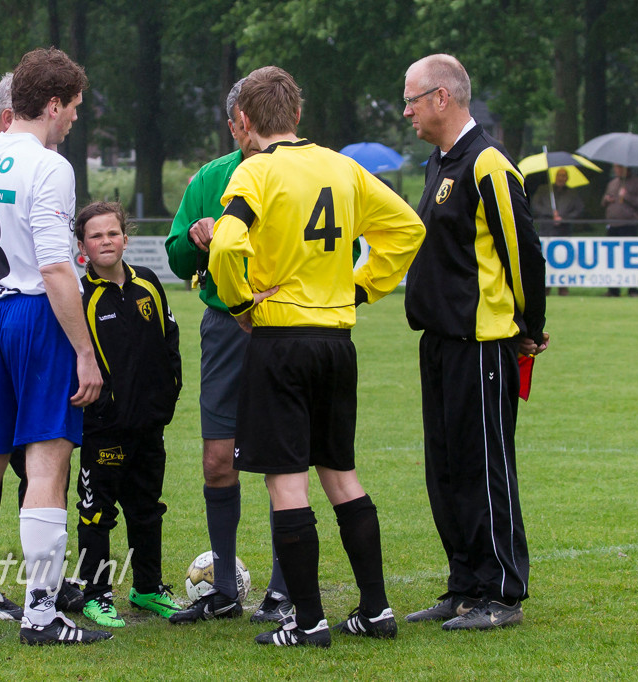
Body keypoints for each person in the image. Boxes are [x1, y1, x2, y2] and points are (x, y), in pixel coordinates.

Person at [210, 66, 426, 647]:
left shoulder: (256, 171)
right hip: (336, 342)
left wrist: (239, 301)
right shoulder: (343, 167)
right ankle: (376, 610)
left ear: (244, 120)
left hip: (281, 341)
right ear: (298, 115)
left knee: (286, 483)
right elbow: (407, 228)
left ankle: (308, 622)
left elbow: (227, 243)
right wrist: (360, 287)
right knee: (341, 474)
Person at [0, 47, 110, 646]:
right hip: (36, 314)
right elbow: (56, 267)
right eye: (75, 107)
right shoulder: (50, 165)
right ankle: (41, 613)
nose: (75, 119)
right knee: (47, 462)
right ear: (53, 104)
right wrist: (85, 351)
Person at [402, 54, 549, 631]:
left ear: (442, 98)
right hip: (440, 342)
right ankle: (464, 585)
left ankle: (502, 593)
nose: (407, 111)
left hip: (482, 344)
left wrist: (528, 328)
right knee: (446, 469)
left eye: (411, 99)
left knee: (484, 467)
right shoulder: (440, 162)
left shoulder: (488, 163)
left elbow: (523, 251)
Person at [165, 79, 292, 625]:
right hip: (224, 328)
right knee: (218, 461)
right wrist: (196, 241)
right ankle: (223, 591)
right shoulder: (211, 178)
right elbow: (176, 256)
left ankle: (285, 588)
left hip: (285, 327)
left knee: (283, 461)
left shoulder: (302, 173)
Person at [73, 201, 183, 628]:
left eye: (112, 233)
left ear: (125, 237)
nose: (106, 241)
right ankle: (95, 593)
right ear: (82, 246)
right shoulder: (79, 296)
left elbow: (169, 340)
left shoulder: (149, 283)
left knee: (147, 508)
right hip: (104, 429)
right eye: (96, 236)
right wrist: (100, 407)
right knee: (96, 513)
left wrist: (167, 397)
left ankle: (147, 588)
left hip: (149, 426)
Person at [531, 168, 583, 295]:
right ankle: (545, 286)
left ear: (567, 178)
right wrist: (550, 214)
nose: (561, 178)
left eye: (564, 175)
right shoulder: (544, 190)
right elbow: (535, 205)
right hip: (546, 230)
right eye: (559, 175)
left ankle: (563, 287)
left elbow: (579, 209)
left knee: (563, 259)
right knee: (545, 259)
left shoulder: (572, 193)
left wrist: (564, 218)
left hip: (563, 231)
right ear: (555, 177)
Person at [602, 163, 638, 296]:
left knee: (630, 259)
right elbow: (603, 202)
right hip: (613, 225)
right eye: (615, 167)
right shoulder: (612, 183)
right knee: (612, 259)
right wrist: (607, 199)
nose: (616, 170)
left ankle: (633, 288)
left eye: (619, 167)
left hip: (628, 225)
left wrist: (627, 196)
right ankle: (613, 289)